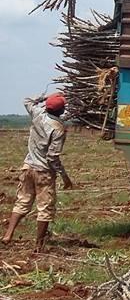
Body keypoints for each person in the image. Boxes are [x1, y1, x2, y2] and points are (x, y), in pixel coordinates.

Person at [2, 93, 73, 252]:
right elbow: (53, 157)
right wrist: (65, 177)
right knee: (44, 208)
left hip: (27, 168)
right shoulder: (58, 128)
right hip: (43, 173)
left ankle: (8, 234)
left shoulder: (37, 114)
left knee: (22, 202)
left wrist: (45, 97)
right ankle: (38, 246)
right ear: (61, 110)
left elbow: (26, 100)